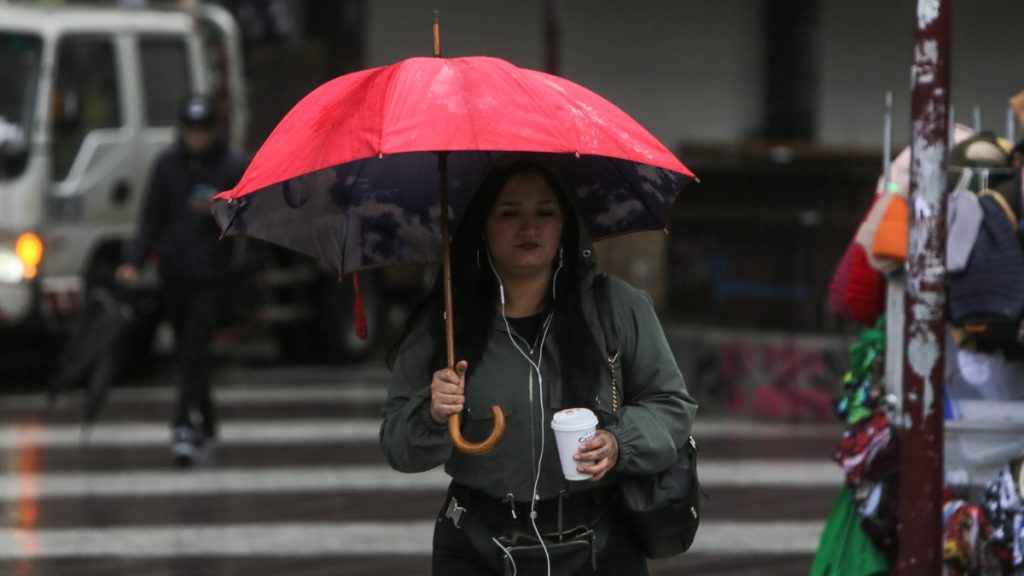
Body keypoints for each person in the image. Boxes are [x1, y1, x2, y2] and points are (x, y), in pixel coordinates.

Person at [380, 159, 698, 575]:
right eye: (509, 213)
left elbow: (672, 406)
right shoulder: (444, 323)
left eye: (545, 212)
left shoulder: (617, 307)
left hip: (599, 545)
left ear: (566, 224)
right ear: (482, 225)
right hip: (479, 546)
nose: (529, 227)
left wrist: (620, 442)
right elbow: (397, 446)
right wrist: (433, 412)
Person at [116, 94, 246, 466]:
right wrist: (135, 262)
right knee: (188, 352)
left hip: (211, 276)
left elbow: (246, 221)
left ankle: (183, 427)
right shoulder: (167, 167)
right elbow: (151, 217)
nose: (196, 136)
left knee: (194, 351)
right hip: (174, 275)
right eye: (191, 129)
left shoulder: (230, 166)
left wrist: (221, 216)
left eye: (203, 129)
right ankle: (208, 425)